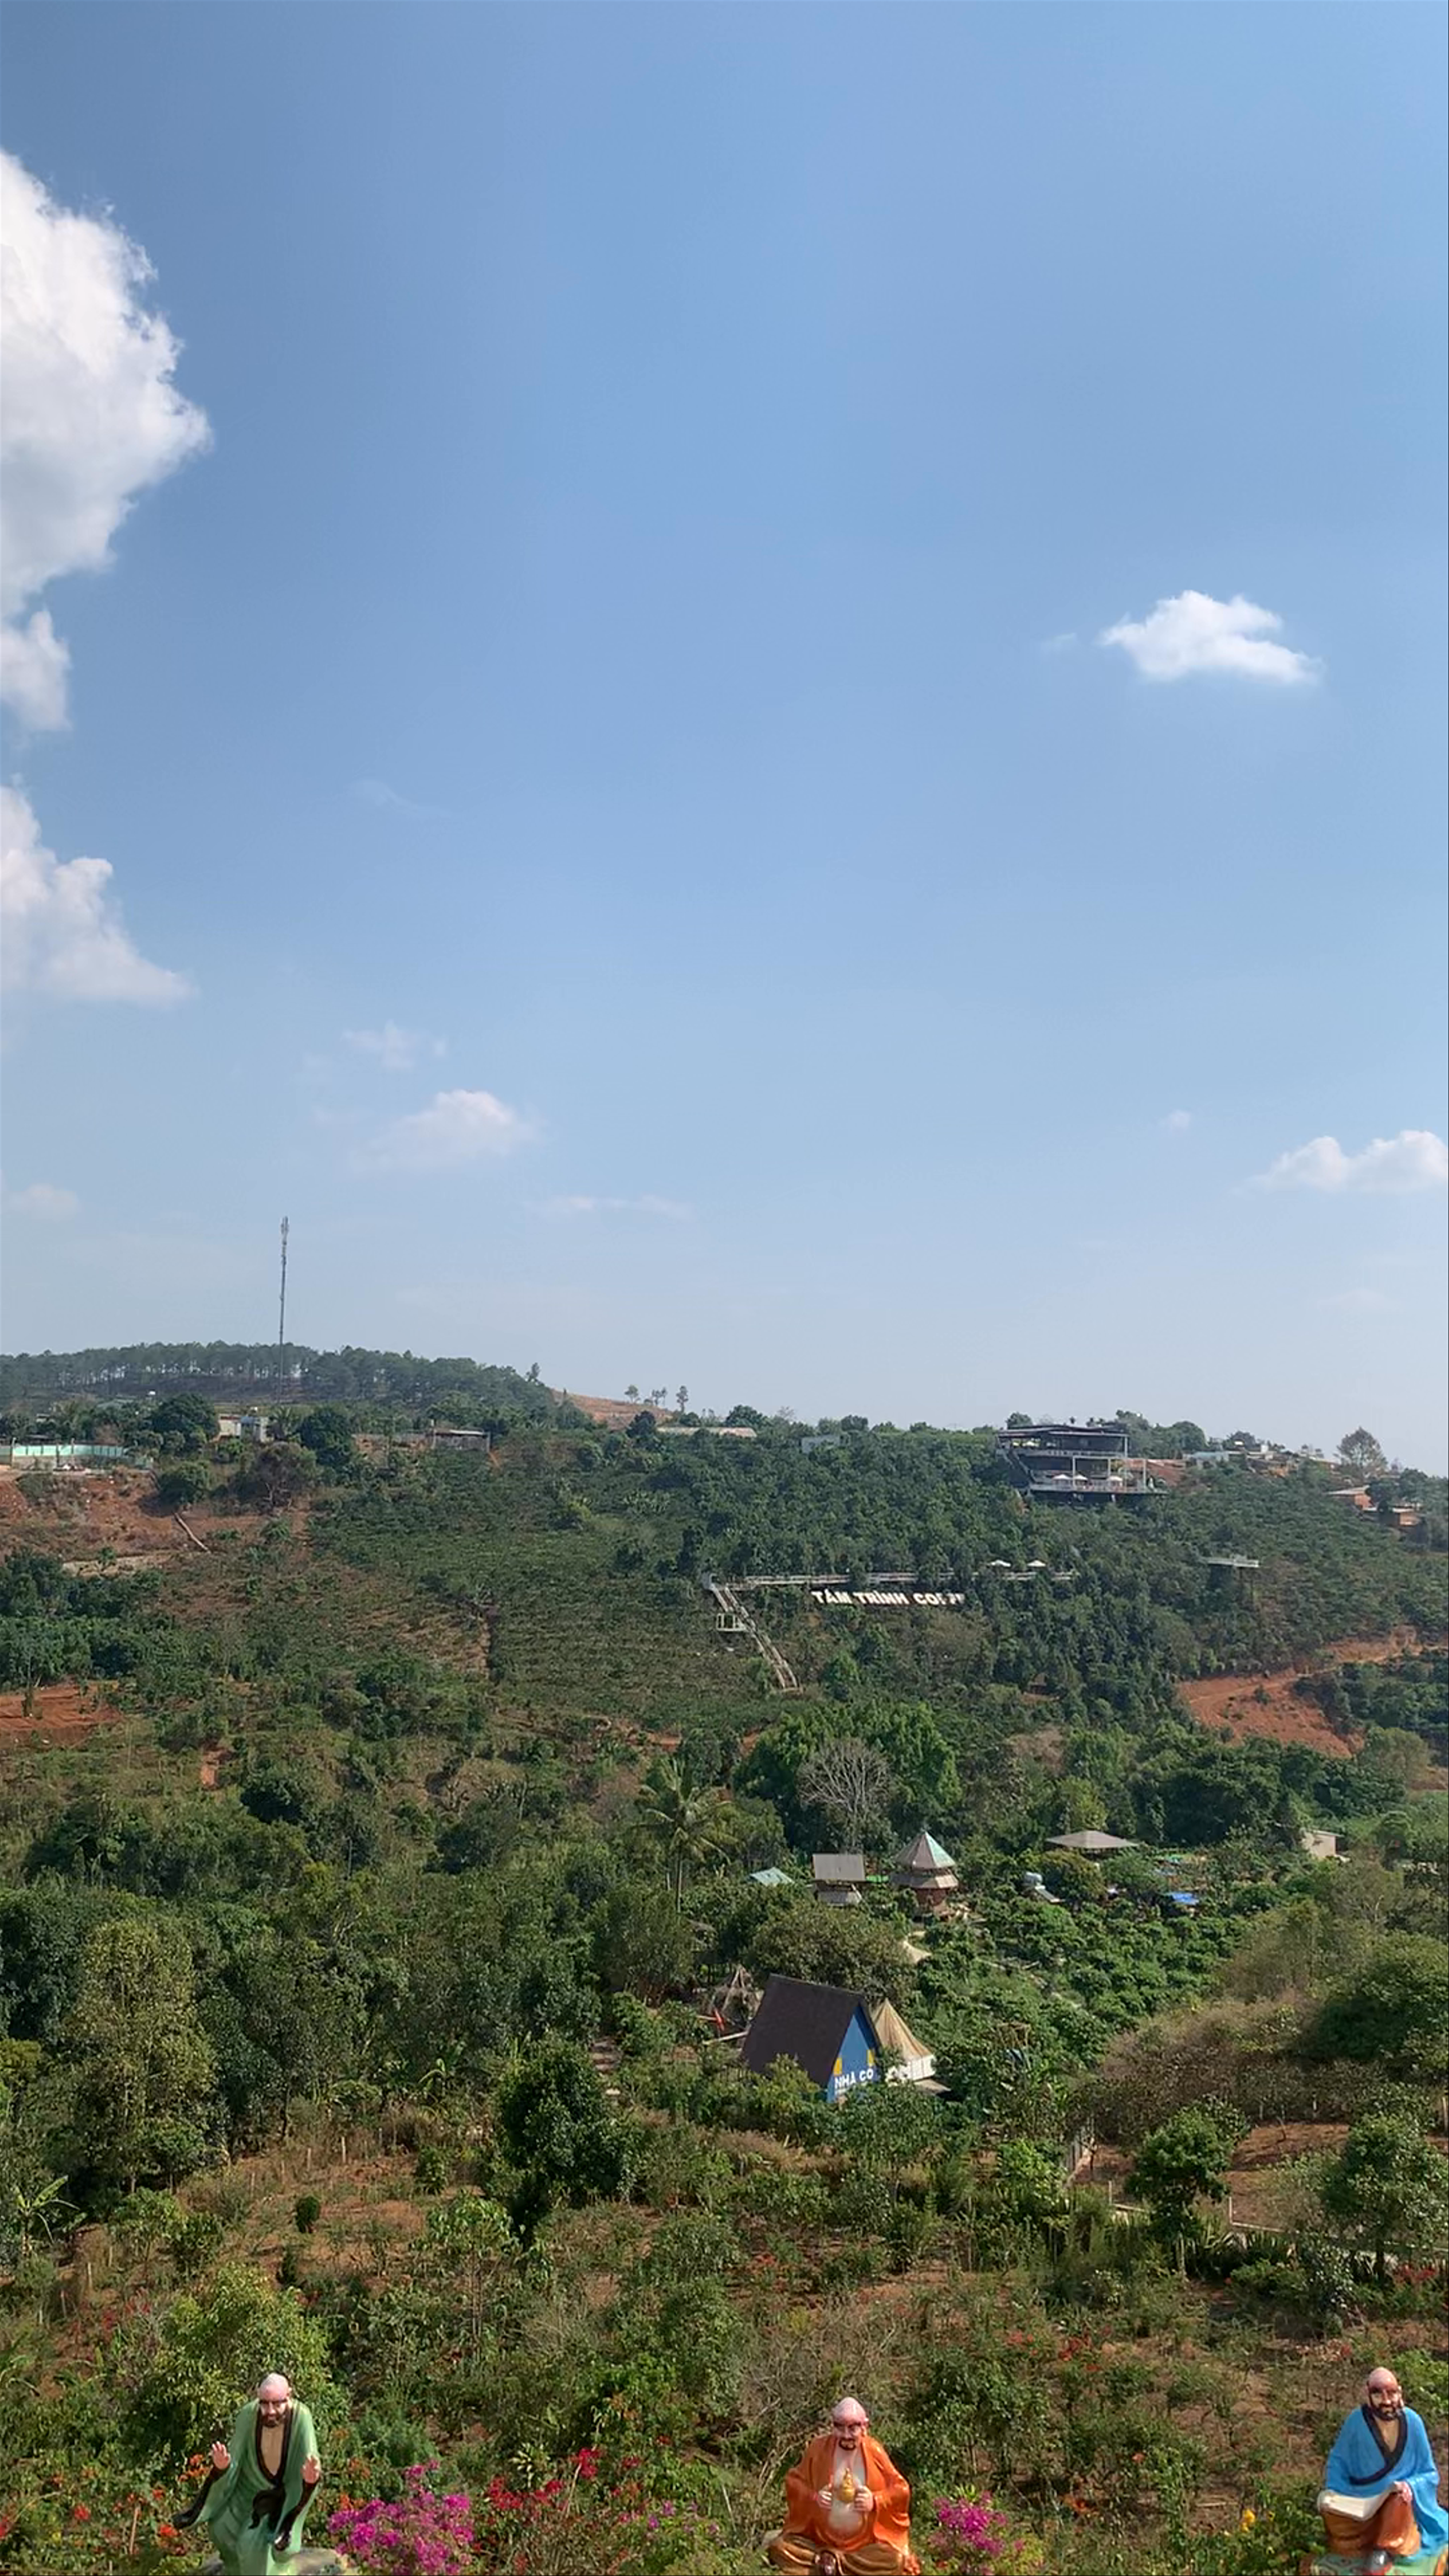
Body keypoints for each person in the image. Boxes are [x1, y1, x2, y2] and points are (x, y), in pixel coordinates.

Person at [176, 2372, 321, 2576]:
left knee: (250, 2542)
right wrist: (223, 2467)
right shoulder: (248, 2415)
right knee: (220, 2527)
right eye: (265, 2403)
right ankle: (234, 2571)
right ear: (257, 2397)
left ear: (289, 2396)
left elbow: (310, 2459)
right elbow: (235, 2460)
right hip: (248, 2493)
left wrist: (310, 2480)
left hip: (281, 2499)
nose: (270, 2411)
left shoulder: (301, 2417)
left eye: (277, 2404)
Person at [767, 2396, 919, 2575]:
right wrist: (814, 2497)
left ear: (864, 2428)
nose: (846, 2435)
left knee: (895, 2561)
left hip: (862, 2546)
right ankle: (831, 2560)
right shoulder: (818, 2448)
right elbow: (793, 2482)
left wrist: (875, 2500)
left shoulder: (874, 2451)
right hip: (821, 2539)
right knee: (780, 2548)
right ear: (832, 2426)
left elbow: (901, 2489)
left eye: (853, 2428)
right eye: (839, 2427)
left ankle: (832, 2563)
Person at [1318, 2367, 1447, 2571]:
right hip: (1360, 2499)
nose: (1387, 2401)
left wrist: (1409, 2486)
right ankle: (1359, 2545)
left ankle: (1385, 2549)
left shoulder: (1413, 2423)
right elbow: (1338, 2460)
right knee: (1328, 2506)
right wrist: (1334, 2491)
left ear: (1401, 2393)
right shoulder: (1355, 2422)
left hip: (1396, 2504)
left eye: (1392, 2393)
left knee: (1399, 2502)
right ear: (1367, 2395)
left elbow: (1430, 2474)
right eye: (1378, 2394)